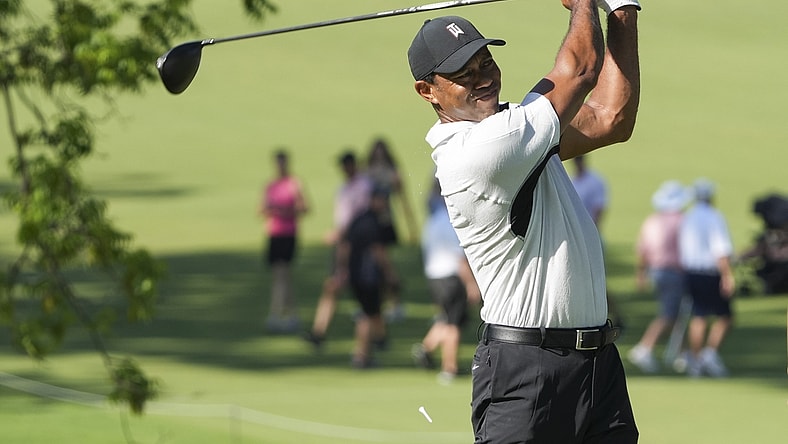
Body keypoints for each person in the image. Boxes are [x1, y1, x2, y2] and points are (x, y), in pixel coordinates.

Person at [407, 0, 641, 441]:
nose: (483, 78)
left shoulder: (515, 129)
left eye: (486, 62)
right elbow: (580, 72)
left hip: (598, 367)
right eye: (464, 74)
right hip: (527, 373)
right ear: (428, 91)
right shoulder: (481, 151)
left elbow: (612, 119)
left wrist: (622, 12)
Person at [412, 178, 481, 384]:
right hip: (450, 276)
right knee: (453, 324)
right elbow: (460, 257)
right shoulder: (451, 220)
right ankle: (449, 368)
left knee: (447, 317)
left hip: (434, 276)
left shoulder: (432, 221)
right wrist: (471, 283)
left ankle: (426, 348)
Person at [305, 151, 372, 348]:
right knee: (333, 287)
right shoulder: (344, 188)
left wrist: (340, 234)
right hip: (344, 242)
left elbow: (357, 218)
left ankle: (373, 338)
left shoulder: (363, 186)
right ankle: (319, 331)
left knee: (359, 291)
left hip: (355, 244)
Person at [628, 180, 691, 373]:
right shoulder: (681, 220)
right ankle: (645, 347)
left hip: (656, 271)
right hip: (675, 271)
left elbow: (642, 250)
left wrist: (640, 274)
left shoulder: (652, 220)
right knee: (669, 314)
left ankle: (682, 354)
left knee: (677, 314)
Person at [335, 187, 400, 368]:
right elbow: (378, 251)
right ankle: (361, 355)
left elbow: (345, 245)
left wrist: (342, 268)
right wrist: (390, 273)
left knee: (370, 312)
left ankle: (373, 346)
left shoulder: (358, 219)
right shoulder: (374, 223)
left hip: (356, 274)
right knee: (368, 314)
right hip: (368, 275)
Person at [679, 178, 736, 378]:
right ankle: (709, 353)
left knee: (699, 315)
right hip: (710, 272)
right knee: (725, 316)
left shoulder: (689, 216)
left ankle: (696, 359)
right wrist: (728, 275)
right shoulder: (714, 216)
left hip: (691, 271)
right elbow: (720, 249)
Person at [365, 137, 418, 322]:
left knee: (385, 265)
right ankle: (382, 304)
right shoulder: (369, 173)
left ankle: (393, 302)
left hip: (385, 223)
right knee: (377, 266)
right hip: (372, 224)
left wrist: (411, 225)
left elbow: (403, 200)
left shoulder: (388, 173)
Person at [260, 149, 309, 334]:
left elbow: (304, 207)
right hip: (274, 233)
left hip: (289, 233)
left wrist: (287, 211)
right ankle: (292, 315)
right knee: (281, 276)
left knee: (282, 274)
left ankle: (276, 313)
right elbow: (261, 209)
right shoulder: (270, 185)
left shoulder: (294, 184)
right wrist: (271, 210)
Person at [570, 154, 607, 226]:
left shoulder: (594, 181)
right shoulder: (572, 180)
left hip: (589, 225)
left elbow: (599, 207)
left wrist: (594, 227)